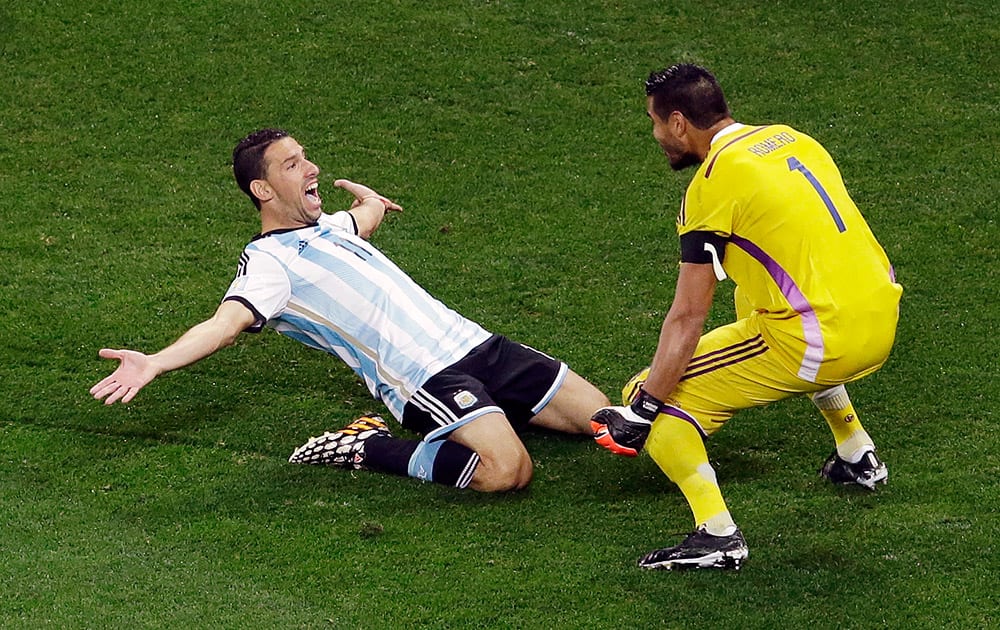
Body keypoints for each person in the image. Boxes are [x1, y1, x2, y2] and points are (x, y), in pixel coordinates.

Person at [90, 128, 610, 492]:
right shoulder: (269, 264)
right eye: (292, 165)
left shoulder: (328, 228)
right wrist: (156, 361)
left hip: (477, 343)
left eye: (305, 156)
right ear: (263, 189)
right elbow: (225, 325)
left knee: (603, 420)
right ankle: (366, 447)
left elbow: (361, 220)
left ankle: (497, 407)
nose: (311, 167)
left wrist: (373, 204)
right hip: (422, 376)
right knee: (506, 472)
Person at [590, 64, 902, 570]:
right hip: (881, 314)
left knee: (652, 394)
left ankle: (717, 536)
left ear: (677, 123)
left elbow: (688, 315)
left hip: (819, 344)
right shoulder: (790, 138)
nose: (654, 135)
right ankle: (855, 450)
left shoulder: (713, 185)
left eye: (653, 122)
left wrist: (642, 411)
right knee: (754, 295)